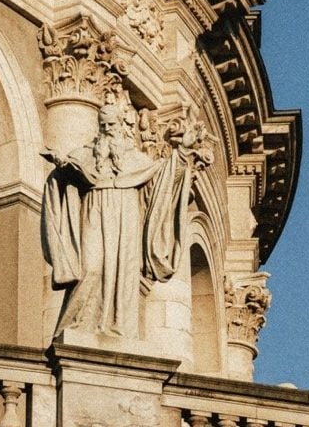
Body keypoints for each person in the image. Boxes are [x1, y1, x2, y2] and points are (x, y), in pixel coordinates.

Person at [41, 93, 199, 340]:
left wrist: (181, 154)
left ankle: (119, 328)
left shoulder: (138, 160)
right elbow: (67, 174)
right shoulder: (84, 155)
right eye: (102, 126)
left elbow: (164, 184)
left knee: (124, 275)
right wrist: (61, 164)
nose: (107, 130)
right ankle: (76, 324)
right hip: (93, 212)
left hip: (126, 219)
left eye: (111, 125)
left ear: (121, 127)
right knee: (90, 269)